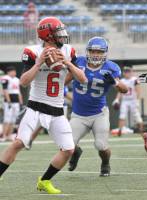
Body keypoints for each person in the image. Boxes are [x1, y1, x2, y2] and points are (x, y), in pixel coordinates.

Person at [0, 17, 87, 194]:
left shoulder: (69, 51)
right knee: (19, 143)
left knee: (68, 149)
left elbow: (82, 78)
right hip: (35, 107)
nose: (62, 35)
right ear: (48, 35)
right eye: (58, 32)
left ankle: (44, 181)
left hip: (57, 109)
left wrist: (67, 63)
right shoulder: (32, 51)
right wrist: (39, 63)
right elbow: (24, 82)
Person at [66, 37, 128, 176]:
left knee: (101, 145)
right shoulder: (79, 62)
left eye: (99, 52)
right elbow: (66, 80)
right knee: (67, 145)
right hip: (78, 114)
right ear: (88, 51)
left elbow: (125, 90)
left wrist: (115, 83)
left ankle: (105, 163)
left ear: (105, 53)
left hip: (98, 114)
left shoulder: (111, 68)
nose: (95, 54)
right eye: (93, 51)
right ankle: (76, 153)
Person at [112, 66, 143, 136]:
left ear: (131, 72)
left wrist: (137, 100)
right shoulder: (122, 81)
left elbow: (138, 90)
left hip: (133, 100)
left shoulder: (134, 79)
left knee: (136, 115)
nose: (127, 73)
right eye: (126, 72)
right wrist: (117, 99)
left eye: (128, 72)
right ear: (123, 73)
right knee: (122, 115)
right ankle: (120, 131)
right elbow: (120, 91)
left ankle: (141, 130)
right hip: (125, 100)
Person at [0, 66, 23, 142]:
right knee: (7, 119)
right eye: (13, 71)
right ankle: (3, 135)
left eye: (15, 71)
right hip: (9, 102)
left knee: (13, 119)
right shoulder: (5, 78)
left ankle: (9, 135)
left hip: (16, 101)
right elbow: (5, 90)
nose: (14, 73)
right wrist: (9, 101)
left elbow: (18, 91)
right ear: (8, 72)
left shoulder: (17, 79)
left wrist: (21, 101)